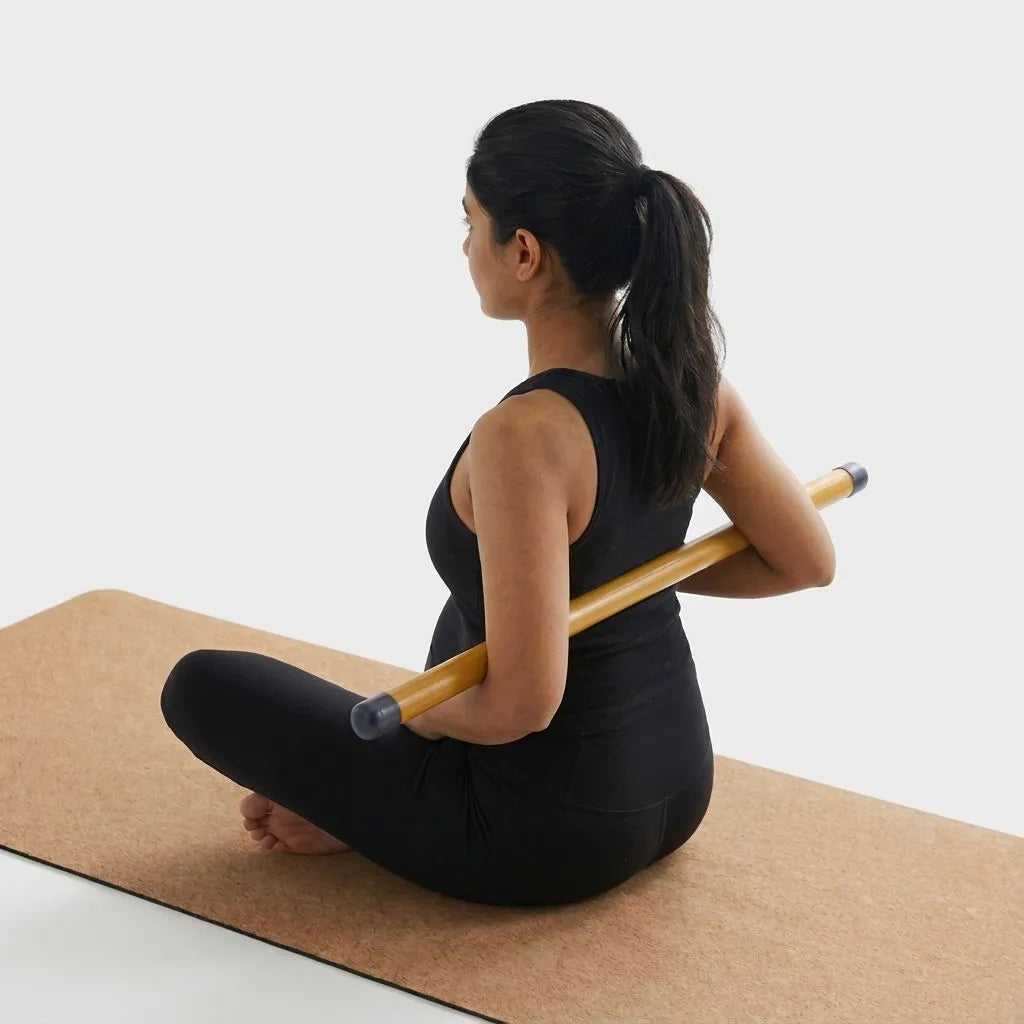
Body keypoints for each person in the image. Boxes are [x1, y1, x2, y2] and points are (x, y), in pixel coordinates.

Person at [160, 99, 836, 906]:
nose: (463, 244)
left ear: (523, 251)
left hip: (547, 835)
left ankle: (369, 808)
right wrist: (623, 570)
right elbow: (805, 560)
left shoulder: (525, 437)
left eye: (470, 221)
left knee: (200, 683)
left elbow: (521, 703)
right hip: (678, 785)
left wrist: (411, 723)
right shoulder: (693, 387)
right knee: (474, 610)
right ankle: (371, 804)